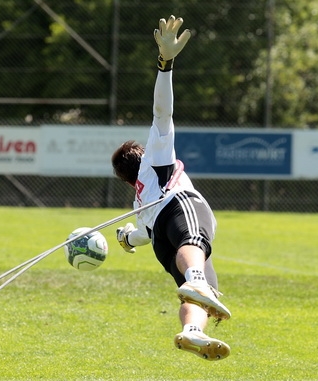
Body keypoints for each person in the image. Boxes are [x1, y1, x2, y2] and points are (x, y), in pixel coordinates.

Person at [112, 15, 232, 361]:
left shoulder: (141, 198)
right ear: (143, 154)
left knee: (202, 294)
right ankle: (195, 277)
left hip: (160, 241)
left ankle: (192, 330)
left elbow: (144, 236)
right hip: (180, 206)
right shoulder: (156, 159)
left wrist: (126, 238)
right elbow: (161, 113)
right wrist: (165, 65)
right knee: (195, 245)